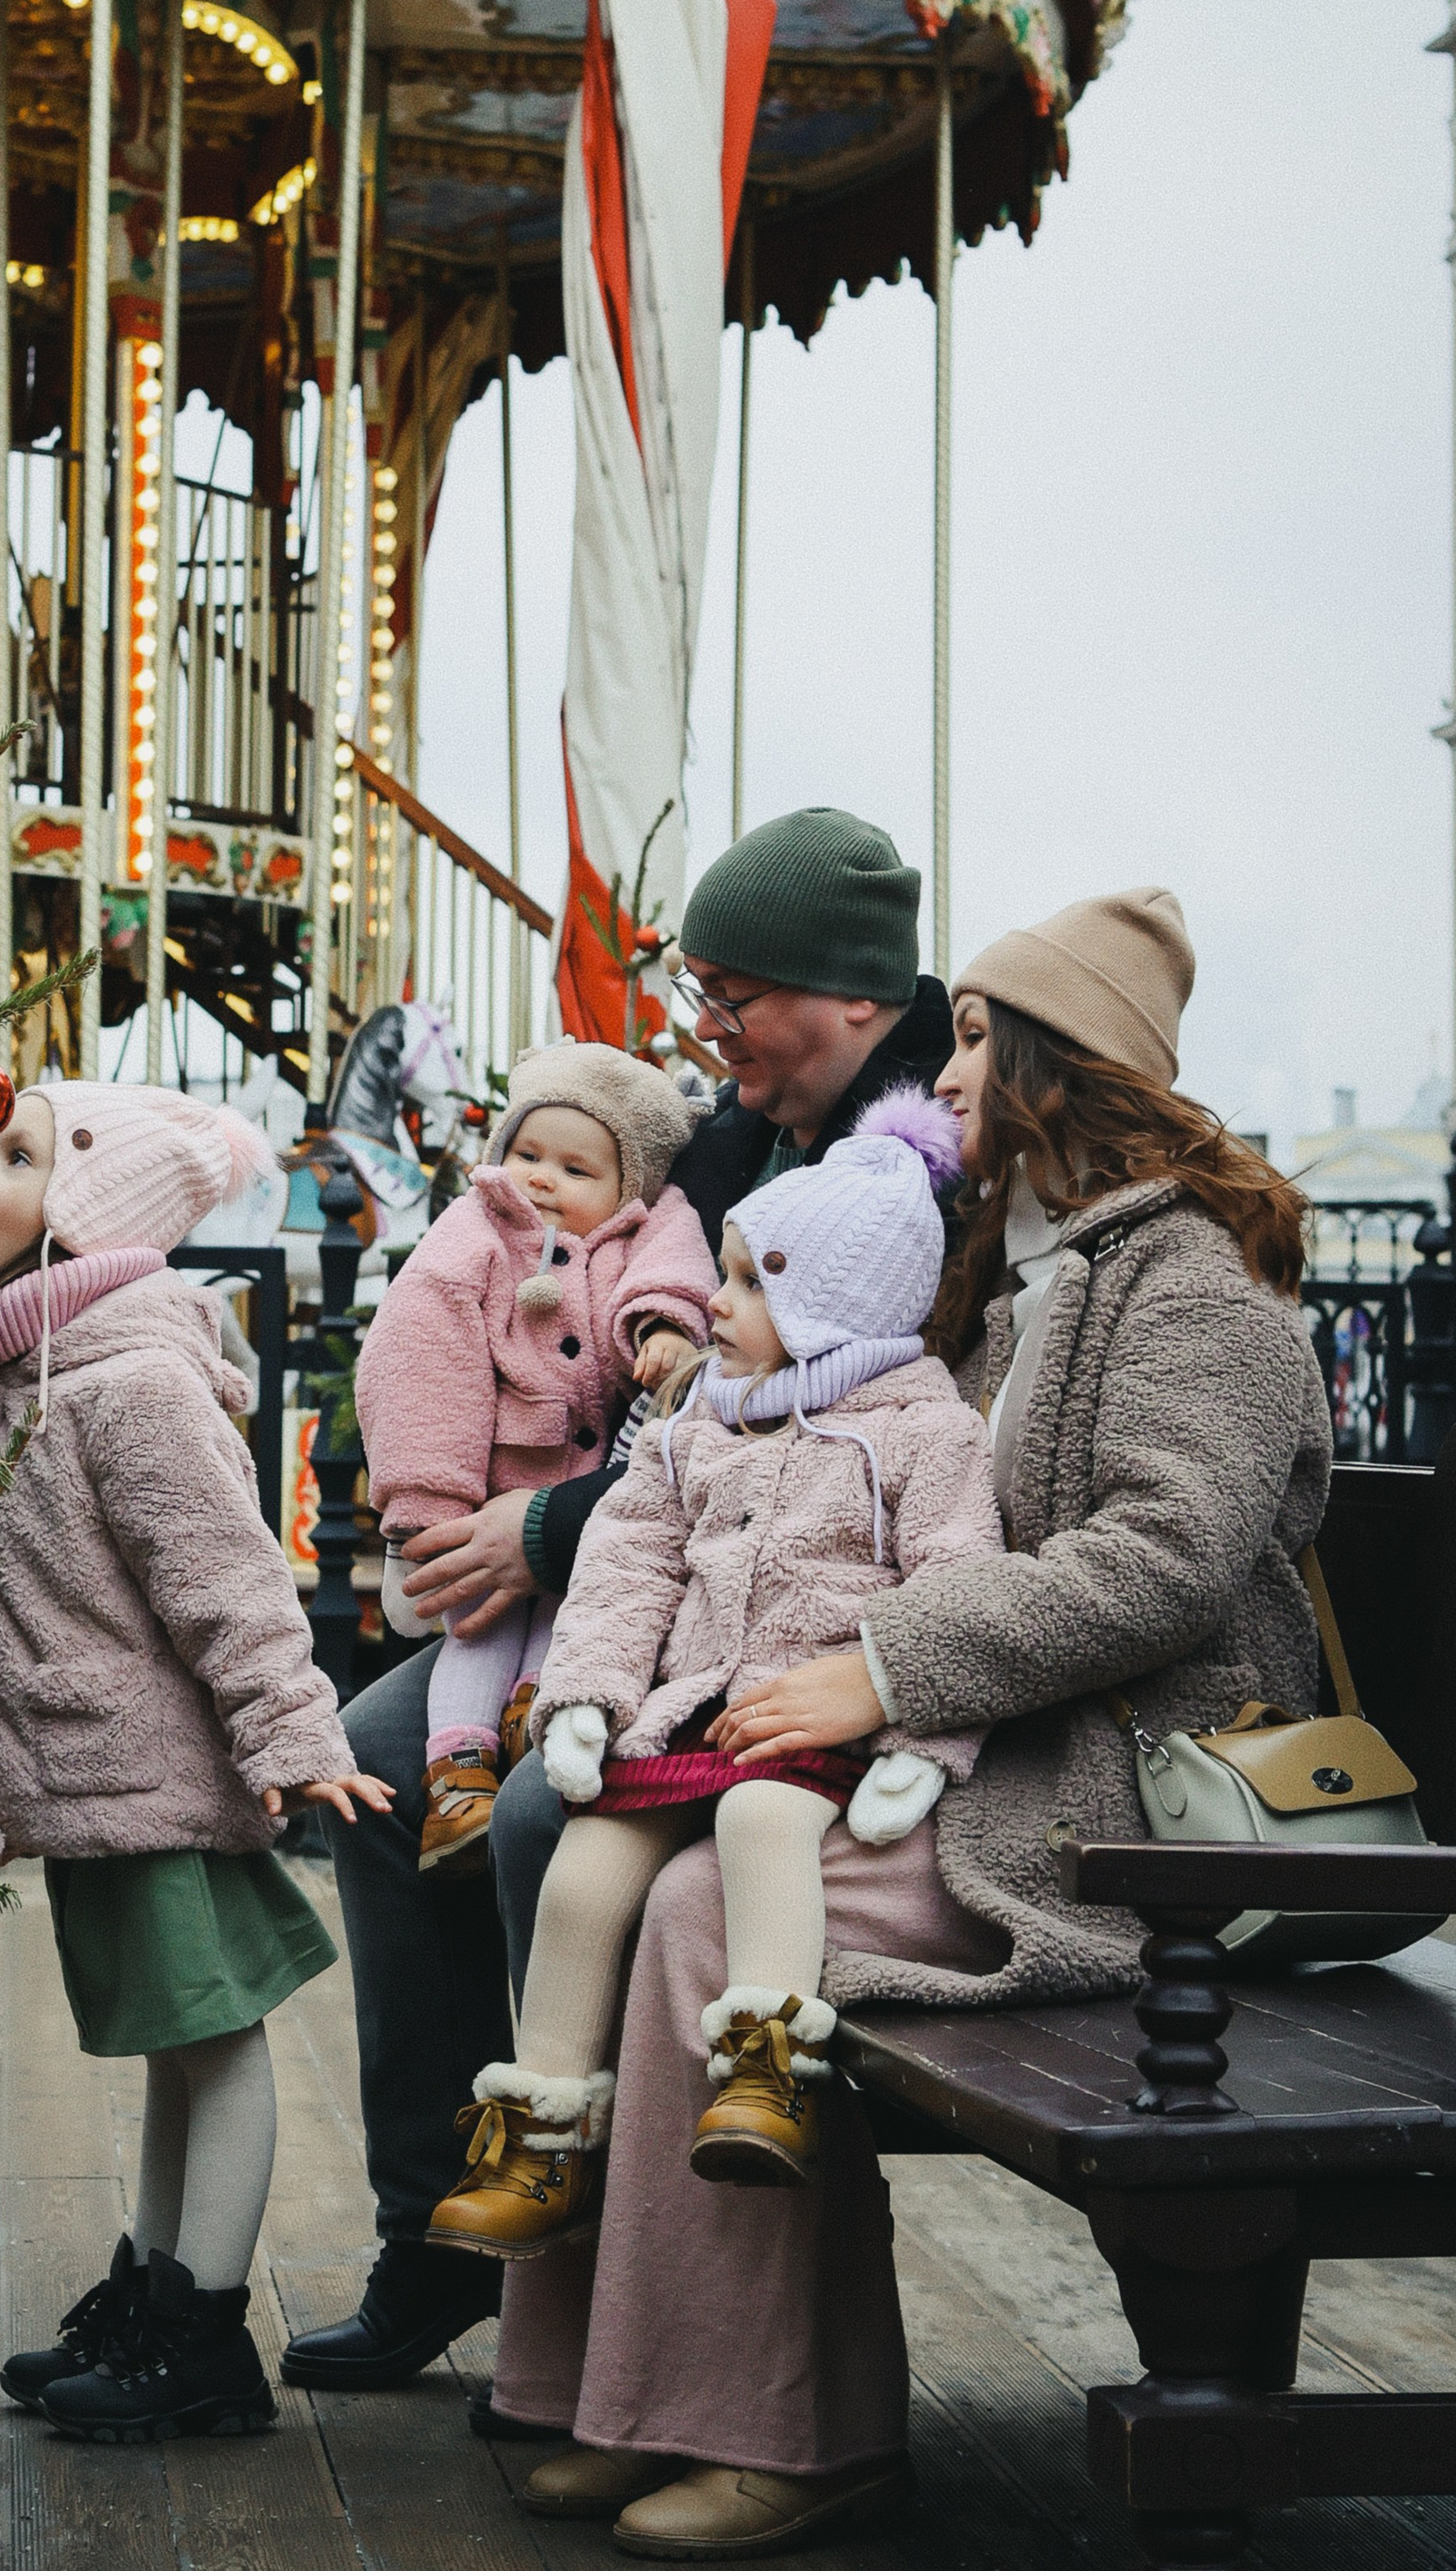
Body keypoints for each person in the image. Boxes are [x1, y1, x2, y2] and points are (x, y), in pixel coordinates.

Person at [495, 889, 1334, 2559]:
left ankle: (783, 2430)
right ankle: (624, 2394)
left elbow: (1166, 1561)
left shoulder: (1194, 1291)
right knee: (652, 1874)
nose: (943, 1081)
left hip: (1126, 1803)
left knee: (708, 1909)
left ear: (1055, 1066)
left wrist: (885, 1668)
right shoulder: (1034, 1280)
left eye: (973, 1044)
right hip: (1014, 1753)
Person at [286, 806, 953, 2394]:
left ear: (852, 995)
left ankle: (570, 2275)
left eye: (735, 997)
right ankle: (436, 2227)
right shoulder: (728, 1145)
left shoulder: (917, 1166)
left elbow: (855, 1430)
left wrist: (544, 1530)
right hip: (648, 1561)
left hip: (792, 1608)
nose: (707, 1029)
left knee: (539, 1809)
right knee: (378, 1762)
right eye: (698, 994)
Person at [427, 1090, 998, 2255]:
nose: (717, 1306)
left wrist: (922, 1744)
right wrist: (587, 1696)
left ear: (831, 1304)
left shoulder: (924, 1433)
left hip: (815, 1722)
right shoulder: (703, 1423)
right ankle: (543, 2130)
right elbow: (627, 1563)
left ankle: (769, 2068)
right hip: (690, 1711)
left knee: (761, 1823)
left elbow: (957, 1588)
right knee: (586, 1868)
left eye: (749, 1284)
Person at [0, 1080, 395, 2444]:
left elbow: (226, 1577)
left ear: (85, 1210)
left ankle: (202, 2339)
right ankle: (149, 2293)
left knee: (215, 2046)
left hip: (154, 1777)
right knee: (175, 2048)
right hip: (98, 1772)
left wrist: (293, 1731)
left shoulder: (130, 1382)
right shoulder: (27, 1371)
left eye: (15, 1157)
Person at [357, 1044, 716, 1874]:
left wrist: (665, 1327)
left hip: (594, 1493)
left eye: (575, 1169)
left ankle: (529, 1721)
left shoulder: (649, 1224)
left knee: (570, 1617)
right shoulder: (477, 1230)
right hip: (495, 1486)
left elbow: (677, 1267)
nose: (543, 1179)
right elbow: (420, 1355)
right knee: (478, 1627)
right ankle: (457, 1774)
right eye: (527, 1154)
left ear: (628, 1186)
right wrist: (429, 1502)